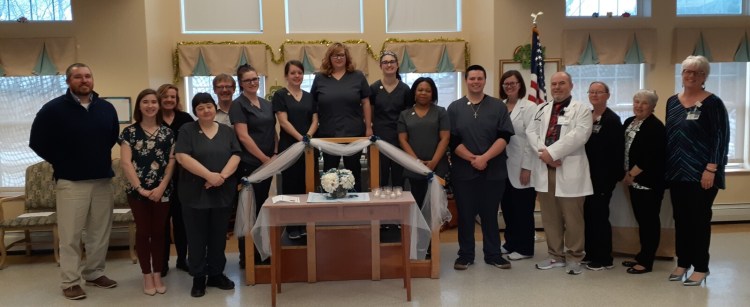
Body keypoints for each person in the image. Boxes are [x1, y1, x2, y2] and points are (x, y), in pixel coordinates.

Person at [29, 63, 120, 300]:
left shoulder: (107, 108)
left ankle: (94, 272)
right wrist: (63, 160)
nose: (84, 80)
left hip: (102, 180)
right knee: (70, 235)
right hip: (71, 182)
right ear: (68, 81)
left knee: (99, 232)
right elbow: (37, 141)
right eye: (78, 77)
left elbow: (111, 137)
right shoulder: (53, 109)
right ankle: (70, 281)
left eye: (88, 76)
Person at [665, 55, 729, 286]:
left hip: (702, 173)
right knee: (681, 219)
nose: (690, 76)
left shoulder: (713, 103)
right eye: (686, 71)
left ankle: (701, 266)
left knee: (699, 221)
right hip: (676, 172)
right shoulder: (672, 102)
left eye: (696, 72)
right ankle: (683, 262)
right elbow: (670, 137)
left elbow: (721, 138)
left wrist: (711, 168)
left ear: (704, 77)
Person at [448, 65, 515, 271]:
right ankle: (465, 255)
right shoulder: (455, 108)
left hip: (493, 170)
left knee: (489, 214)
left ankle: (493, 254)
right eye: (472, 78)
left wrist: (484, 158)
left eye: (480, 78)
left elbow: (504, 137)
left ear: (485, 81)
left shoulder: (497, 107)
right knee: (466, 215)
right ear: (466, 81)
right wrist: (472, 159)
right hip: (463, 171)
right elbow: (451, 140)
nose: (476, 81)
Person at [526, 71, 593, 275]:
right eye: (554, 84)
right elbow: (531, 132)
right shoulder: (542, 108)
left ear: (571, 85)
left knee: (573, 217)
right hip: (546, 168)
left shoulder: (581, 109)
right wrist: (544, 153)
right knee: (550, 216)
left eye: (561, 83)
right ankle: (555, 256)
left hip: (568, 167)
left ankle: (575, 257)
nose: (557, 87)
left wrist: (553, 153)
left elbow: (580, 135)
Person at [175, 93, 241, 297]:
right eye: (200, 108)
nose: (206, 110)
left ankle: (216, 274)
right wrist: (208, 176)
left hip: (222, 192)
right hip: (194, 193)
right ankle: (198, 277)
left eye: (209, 106)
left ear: (215, 108)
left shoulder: (227, 131)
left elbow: (236, 154)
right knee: (196, 237)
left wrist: (221, 176)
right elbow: (182, 156)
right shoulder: (187, 130)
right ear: (195, 112)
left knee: (218, 236)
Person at [119, 88, 175, 295]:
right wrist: (141, 189)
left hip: (163, 191)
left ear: (158, 106)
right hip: (137, 192)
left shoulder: (168, 133)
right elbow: (126, 163)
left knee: (160, 233)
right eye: (145, 102)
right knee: (143, 233)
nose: (150, 105)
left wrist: (161, 187)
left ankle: (158, 274)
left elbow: (171, 162)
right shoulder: (129, 133)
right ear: (139, 106)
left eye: (154, 102)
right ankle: (146, 275)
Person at [230, 64, 278, 268]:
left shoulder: (266, 104)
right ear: (241, 83)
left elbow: (272, 130)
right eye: (248, 80)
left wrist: (275, 154)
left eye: (255, 79)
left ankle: (262, 252)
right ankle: (247, 257)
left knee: (264, 209)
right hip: (251, 165)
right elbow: (243, 136)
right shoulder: (238, 105)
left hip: (269, 162)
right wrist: (263, 158)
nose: (253, 83)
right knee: (249, 210)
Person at [311, 42, 372, 192]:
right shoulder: (320, 78)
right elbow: (313, 106)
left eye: (341, 55)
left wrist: (369, 127)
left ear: (347, 57)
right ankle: (329, 210)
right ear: (329, 58)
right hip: (328, 135)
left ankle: (356, 209)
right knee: (329, 175)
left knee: (353, 173)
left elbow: (366, 102)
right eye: (335, 55)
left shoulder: (358, 76)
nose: (338, 58)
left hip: (354, 134)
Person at [621, 89, 666, 274]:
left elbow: (652, 156)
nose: (639, 106)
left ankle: (647, 261)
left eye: (644, 103)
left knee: (649, 221)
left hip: (648, 182)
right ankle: (641, 255)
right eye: (636, 101)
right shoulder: (629, 122)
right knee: (641, 219)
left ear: (653, 106)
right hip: (632, 181)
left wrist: (632, 174)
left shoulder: (655, 127)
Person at [273, 60, 318, 239]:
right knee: (291, 185)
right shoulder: (280, 95)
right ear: (286, 76)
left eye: (299, 72)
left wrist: (307, 136)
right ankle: (292, 227)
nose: (296, 76)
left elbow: (315, 119)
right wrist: (300, 138)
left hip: (308, 148)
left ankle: (306, 224)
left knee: (307, 185)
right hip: (290, 146)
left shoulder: (309, 96)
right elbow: (283, 122)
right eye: (293, 73)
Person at [582, 81, 625, 271]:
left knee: (600, 216)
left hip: (603, 178)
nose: (595, 95)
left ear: (608, 95)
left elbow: (617, 152)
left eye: (599, 92)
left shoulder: (611, 120)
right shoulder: (587, 116)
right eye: (592, 92)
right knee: (589, 215)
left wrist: (612, 178)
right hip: (587, 176)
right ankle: (590, 253)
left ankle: (604, 258)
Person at [498, 70, 537, 261]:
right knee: (508, 208)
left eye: (513, 83)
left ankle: (525, 248)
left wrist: (527, 167)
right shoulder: (500, 106)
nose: (509, 86)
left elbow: (532, 140)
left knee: (523, 210)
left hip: (522, 166)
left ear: (520, 85)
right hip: (502, 167)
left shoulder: (529, 107)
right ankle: (510, 243)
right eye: (506, 84)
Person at [157, 83, 194, 276]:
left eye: (173, 97)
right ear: (159, 98)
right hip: (158, 179)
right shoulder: (152, 119)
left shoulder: (185, 119)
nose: (169, 100)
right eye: (166, 97)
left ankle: (182, 259)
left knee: (182, 222)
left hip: (182, 178)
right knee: (162, 222)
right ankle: (162, 263)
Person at [397, 77, 450, 209]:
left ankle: (434, 230)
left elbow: (445, 138)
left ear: (433, 94)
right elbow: (402, 139)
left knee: (434, 207)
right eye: (420, 90)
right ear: (414, 92)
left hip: (437, 167)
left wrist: (433, 163)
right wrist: (417, 163)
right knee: (415, 206)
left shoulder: (441, 112)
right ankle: (415, 230)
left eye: (428, 90)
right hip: (414, 168)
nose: (423, 93)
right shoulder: (405, 114)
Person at [371, 51, 411, 188]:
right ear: (380, 66)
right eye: (385, 62)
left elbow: (408, 116)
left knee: (398, 178)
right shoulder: (374, 88)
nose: (389, 65)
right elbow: (369, 113)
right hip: (379, 139)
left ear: (397, 65)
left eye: (392, 62)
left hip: (399, 139)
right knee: (380, 177)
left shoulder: (405, 89)